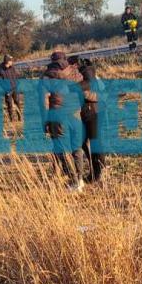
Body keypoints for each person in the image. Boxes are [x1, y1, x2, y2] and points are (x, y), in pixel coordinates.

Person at [43, 51, 86, 192]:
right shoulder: (74, 73)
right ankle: (79, 179)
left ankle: (73, 182)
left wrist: (45, 122)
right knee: (77, 147)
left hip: (58, 115)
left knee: (62, 150)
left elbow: (43, 102)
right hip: (75, 113)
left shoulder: (46, 77)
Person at [79, 58, 106, 183]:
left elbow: (90, 95)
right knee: (96, 142)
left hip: (90, 112)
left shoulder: (85, 79)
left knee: (92, 143)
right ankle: (99, 170)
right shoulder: (96, 76)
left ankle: (97, 173)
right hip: (98, 111)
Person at [0, 54, 22, 121]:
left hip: (15, 88)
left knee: (17, 102)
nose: (12, 62)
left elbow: (17, 75)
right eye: (11, 61)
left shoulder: (12, 67)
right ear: (7, 61)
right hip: (7, 90)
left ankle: (20, 117)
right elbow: (0, 81)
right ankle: (12, 119)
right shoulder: (0, 68)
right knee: (9, 104)